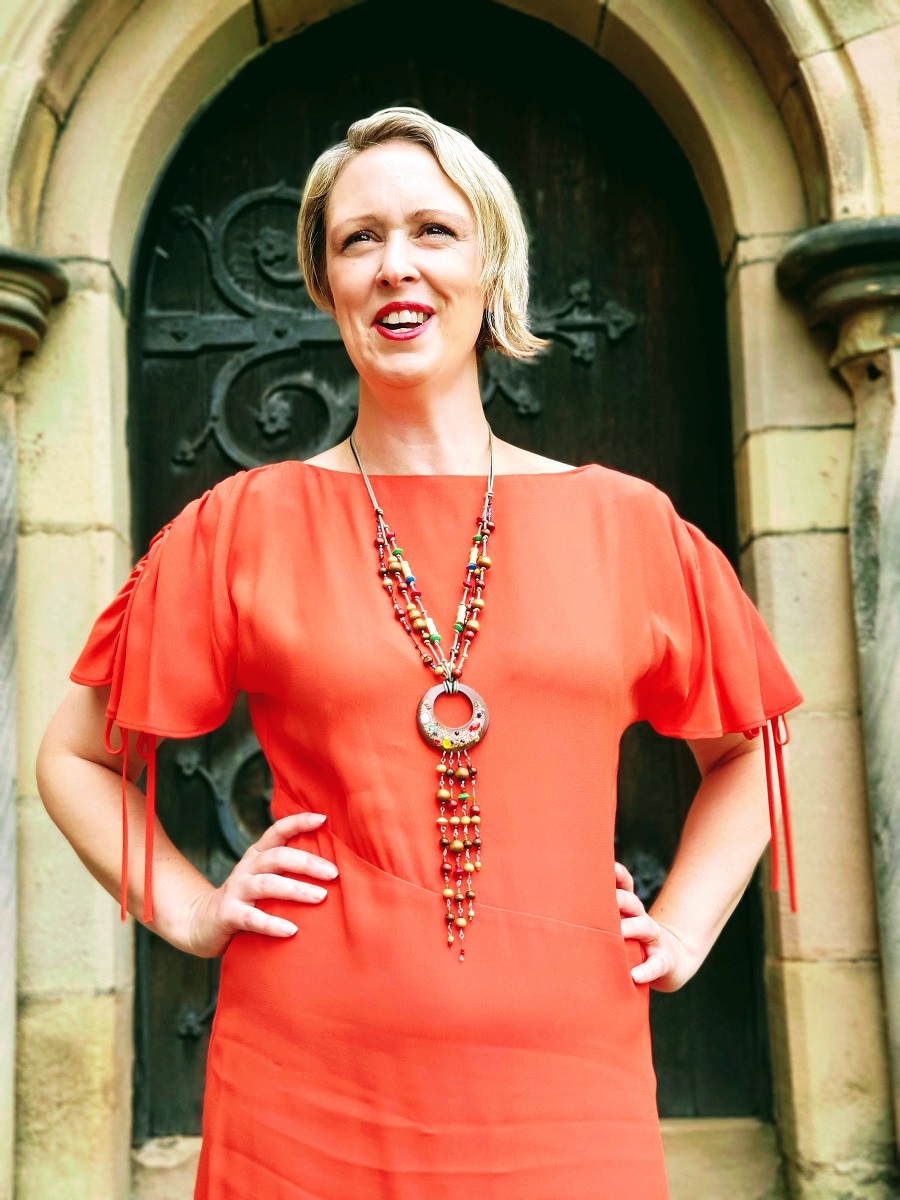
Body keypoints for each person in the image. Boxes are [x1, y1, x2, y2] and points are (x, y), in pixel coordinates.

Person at [36, 107, 802, 1199]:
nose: (396, 266)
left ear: (492, 265)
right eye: (359, 239)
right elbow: (73, 759)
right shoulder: (241, 524)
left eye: (434, 231)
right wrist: (192, 912)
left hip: (568, 1089)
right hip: (301, 1095)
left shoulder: (627, 526)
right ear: (323, 281)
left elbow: (751, 756)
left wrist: (681, 927)